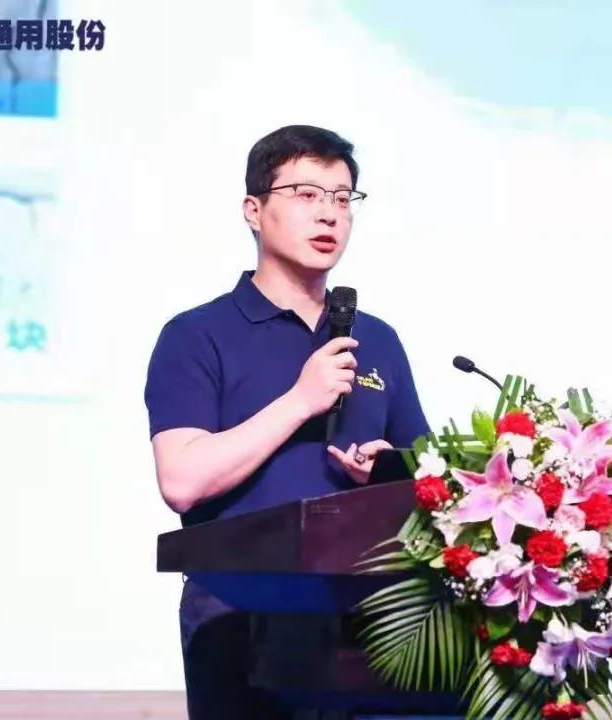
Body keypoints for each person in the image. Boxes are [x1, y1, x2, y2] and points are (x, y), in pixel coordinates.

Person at [144, 125, 431, 719]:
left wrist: (385, 470)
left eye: (343, 198)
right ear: (254, 210)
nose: (329, 214)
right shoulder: (197, 335)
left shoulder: (377, 339)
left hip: (374, 617)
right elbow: (182, 481)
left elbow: (429, 482)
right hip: (240, 618)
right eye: (306, 194)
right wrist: (300, 400)